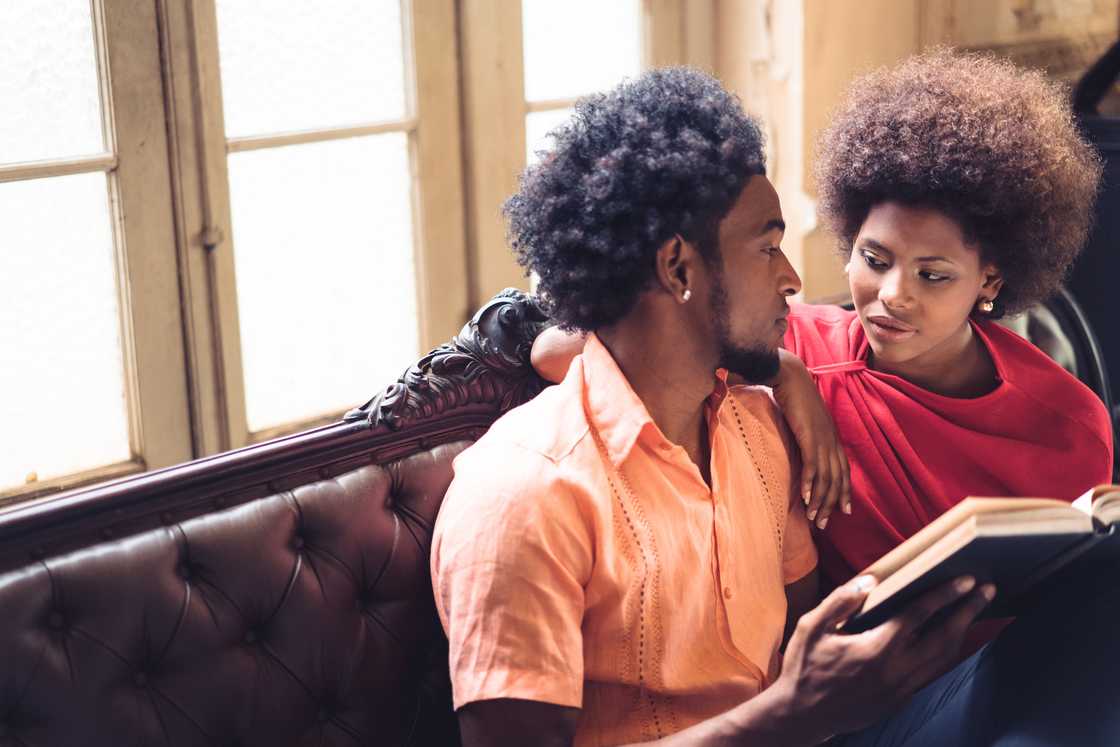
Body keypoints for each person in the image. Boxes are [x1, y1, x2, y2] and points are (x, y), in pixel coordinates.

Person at [431, 67, 995, 747]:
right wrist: (793, 713)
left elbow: (803, 647)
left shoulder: (756, 428)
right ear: (678, 269)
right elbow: (796, 703)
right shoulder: (524, 494)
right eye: (767, 246)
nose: (792, 279)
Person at [534, 50, 1113, 592]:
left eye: (932, 276)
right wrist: (788, 372)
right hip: (864, 676)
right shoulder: (793, 344)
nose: (892, 296)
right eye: (874, 259)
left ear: (990, 280)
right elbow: (555, 349)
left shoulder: (1069, 424)